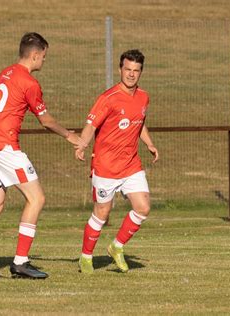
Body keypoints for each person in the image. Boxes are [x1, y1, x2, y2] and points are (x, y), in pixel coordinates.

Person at [0, 32, 83, 279]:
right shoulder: (29, 82)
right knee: (37, 198)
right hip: (3, 144)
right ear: (34, 55)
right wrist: (70, 136)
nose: (44, 60)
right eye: (44, 56)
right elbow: (45, 120)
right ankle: (20, 263)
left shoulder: (6, 72)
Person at [75, 49, 159, 274]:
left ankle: (117, 246)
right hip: (106, 165)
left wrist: (149, 143)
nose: (131, 74)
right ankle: (85, 257)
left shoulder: (143, 97)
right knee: (101, 213)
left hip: (131, 164)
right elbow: (91, 125)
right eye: (127, 69)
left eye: (136, 70)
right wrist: (82, 144)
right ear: (120, 69)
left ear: (141, 72)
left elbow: (138, 122)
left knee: (143, 207)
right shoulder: (108, 98)